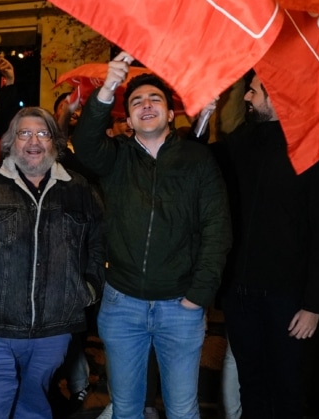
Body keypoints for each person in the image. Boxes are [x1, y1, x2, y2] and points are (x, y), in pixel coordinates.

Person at [73, 52, 231, 419]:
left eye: (155, 99)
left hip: (180, 307)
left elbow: (216, 228)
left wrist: (199, 295)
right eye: (137, 101)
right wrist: (109, 88)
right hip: (121, 305)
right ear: (127, 118)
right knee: (126, 408)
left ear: (171, 113)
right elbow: (85, 146)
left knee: (181, 409)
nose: (146, 105)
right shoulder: (116, 159)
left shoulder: (197, 161)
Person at [0, 106, 104, 419]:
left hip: (52, 330)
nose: (34, 140)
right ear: (10, 142)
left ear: (55, 142)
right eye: (24, 133)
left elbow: (98, 243)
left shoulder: (79, 189)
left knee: (34, 407)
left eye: (43, 133)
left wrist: (88, 289)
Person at [220, 74, 319, 417]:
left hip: (289, 300)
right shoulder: (241, 142)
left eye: (254, 92)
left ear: (278, 96)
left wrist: (313, 305)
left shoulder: (314, 148)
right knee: (252, 389)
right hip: (240, 295)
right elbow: (202, 162)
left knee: (289, 391)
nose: (247, 98)